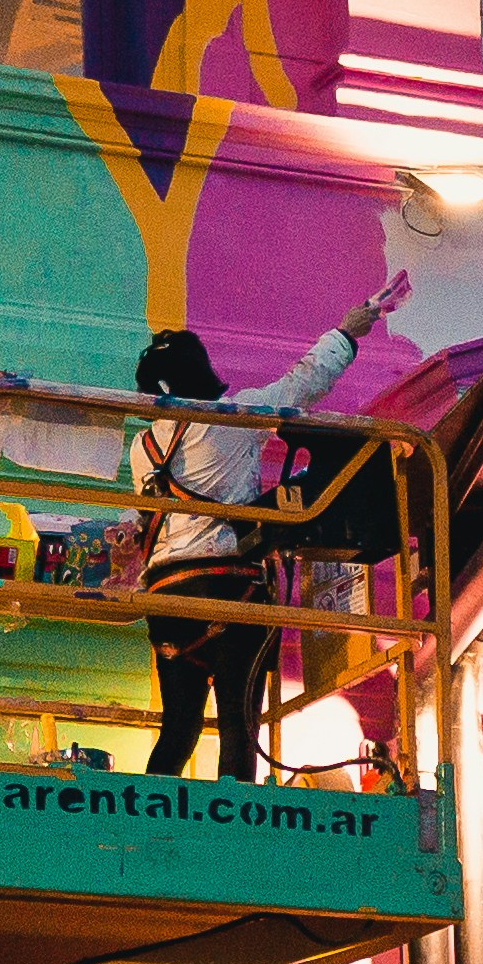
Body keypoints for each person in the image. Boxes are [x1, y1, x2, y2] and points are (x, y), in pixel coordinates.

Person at [132, 292, 397, 781]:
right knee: (239, 724)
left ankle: (150, 819)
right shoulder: (231, 418)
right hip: (229, 584)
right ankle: (233, 835)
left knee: (178, 730)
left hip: (165, 595)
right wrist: (348, 330)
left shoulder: (141, 447)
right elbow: (304, 383)